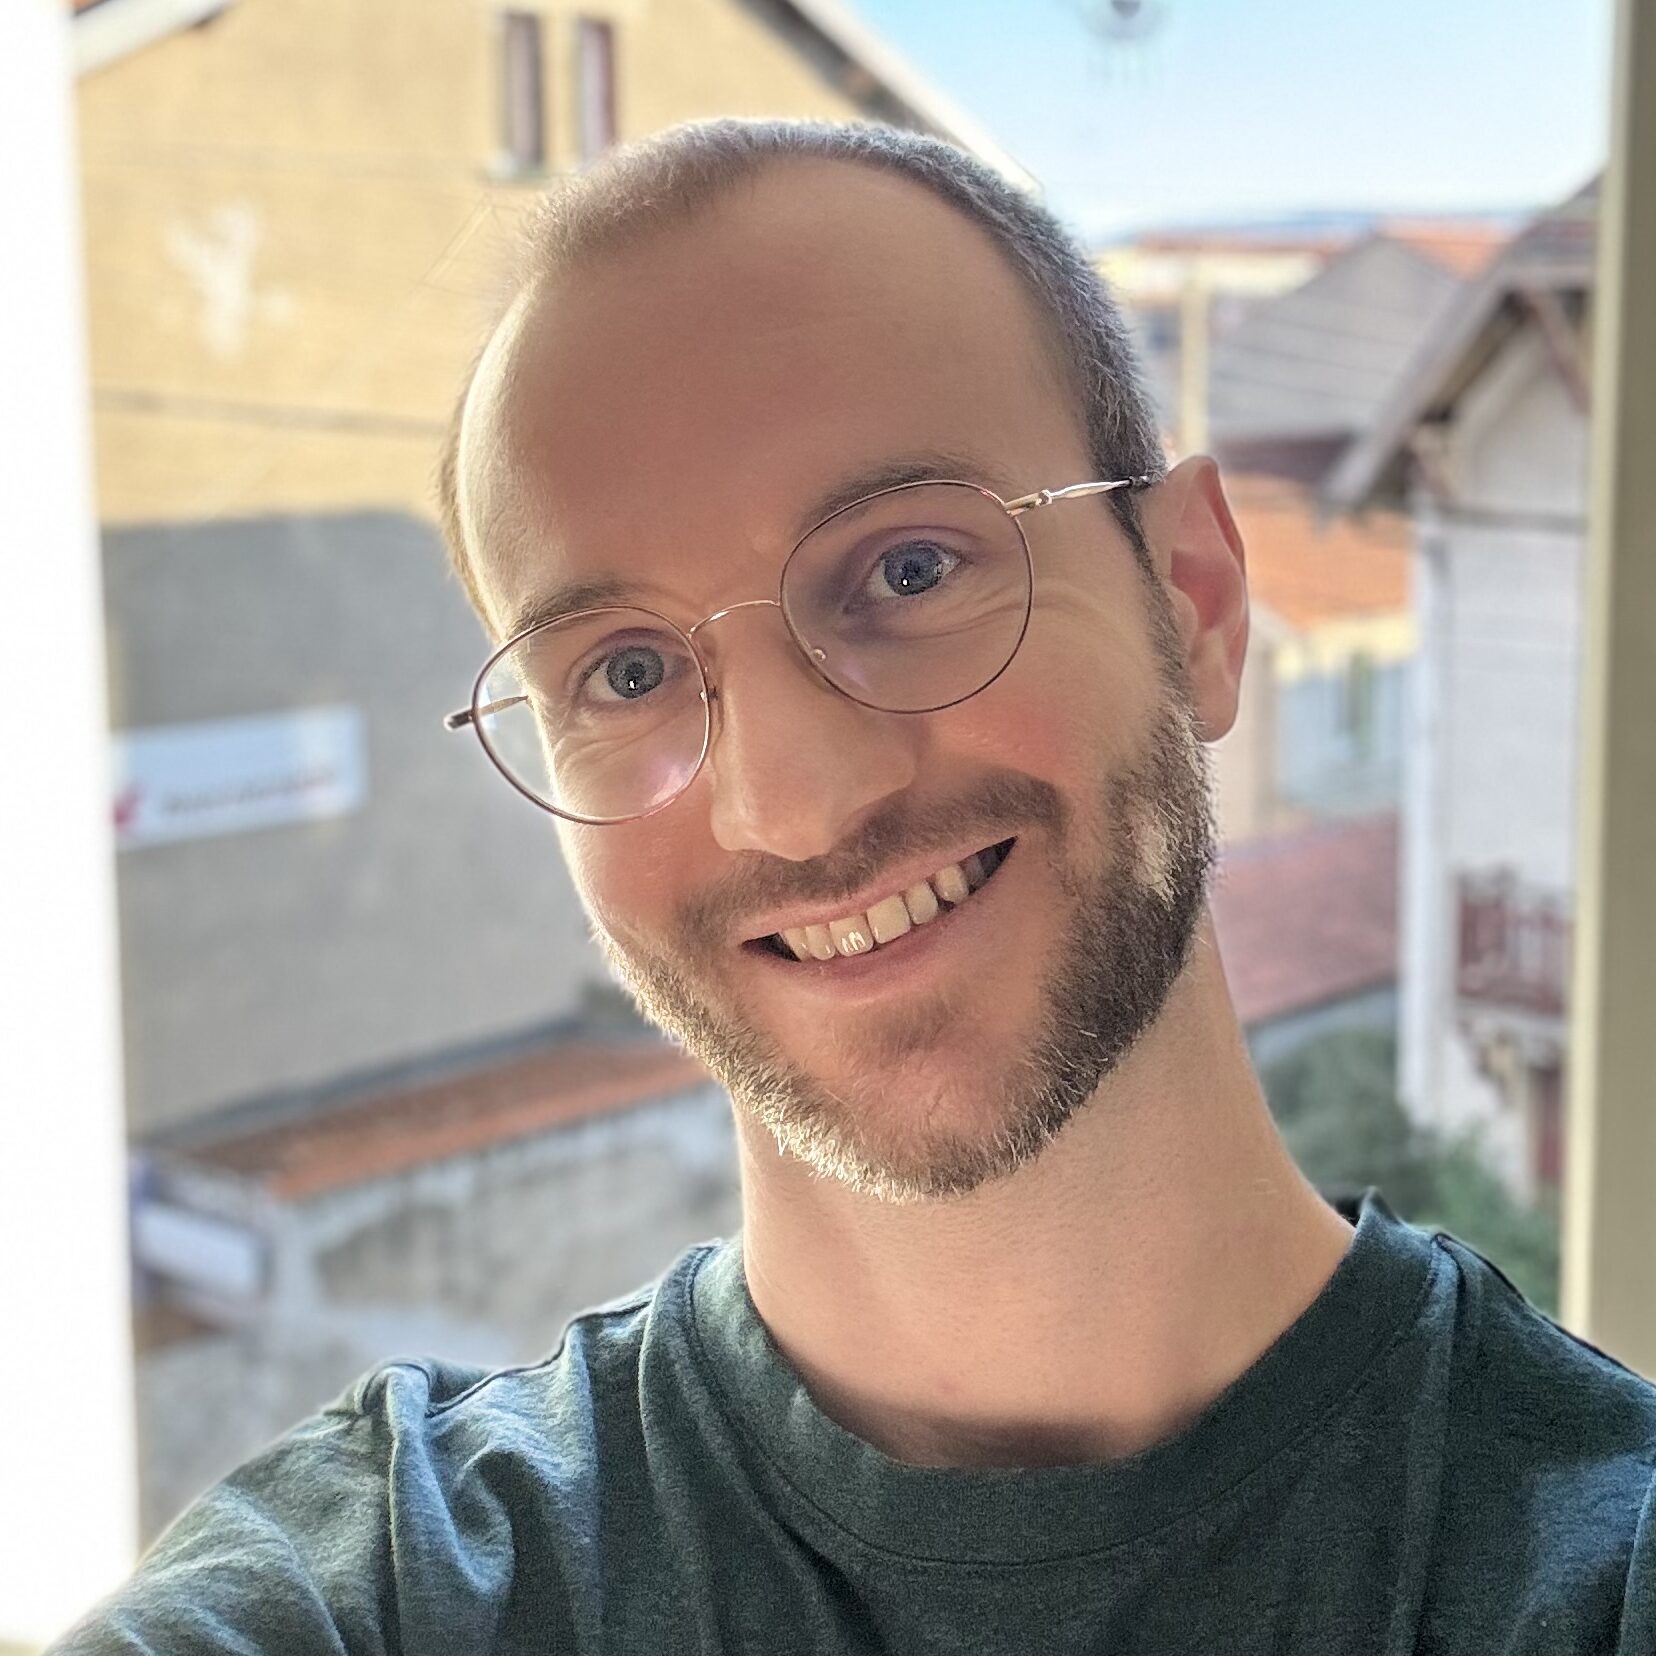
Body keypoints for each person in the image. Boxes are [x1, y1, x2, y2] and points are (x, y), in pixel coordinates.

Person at [55, 119, 1656, 1655]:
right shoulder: (394, 1592)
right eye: (624, 672)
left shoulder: (1599, 1572)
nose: (795, 800)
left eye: (908, 568)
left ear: (1195, 601)